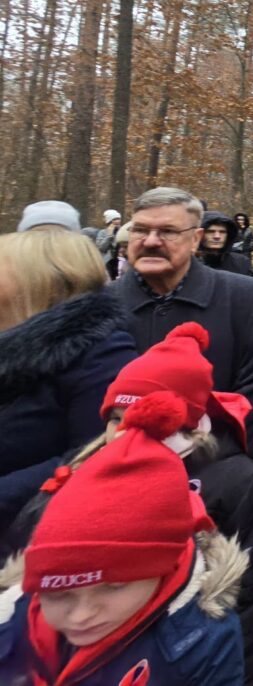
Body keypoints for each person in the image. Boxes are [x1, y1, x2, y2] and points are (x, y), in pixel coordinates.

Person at [0, 394, 246, 686]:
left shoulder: (200, 644)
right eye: (59, 593)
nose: (81, 615)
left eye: (114, 586)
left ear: (162, 567)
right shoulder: (14, 620)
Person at [100, 326, 253, 685]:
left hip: (195, 659)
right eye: (115, 419)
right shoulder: (95, 470)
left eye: (137, 419)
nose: (121, 433)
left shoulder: (234, 481)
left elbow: (251, 595)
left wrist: (243, 669)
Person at [109, 187, 253, 457]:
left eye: (167, 231)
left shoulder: (247, 298)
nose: (151, 241)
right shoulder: (100, 304)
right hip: (117, 467)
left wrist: (190, 451)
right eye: (141, 230)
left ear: (195, 239)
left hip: (216, 467)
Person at [0, 230, 138, 540]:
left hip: (32, 550)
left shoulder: (102, 355)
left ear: (44, 282)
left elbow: (93, 455)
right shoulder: (11, 346)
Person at [198, 211, 253, 277]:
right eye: (210, 231)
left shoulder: (242, 262)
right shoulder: (188, 263)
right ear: (199, 234)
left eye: (222, 232)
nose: (217, 236)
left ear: (229, 235)